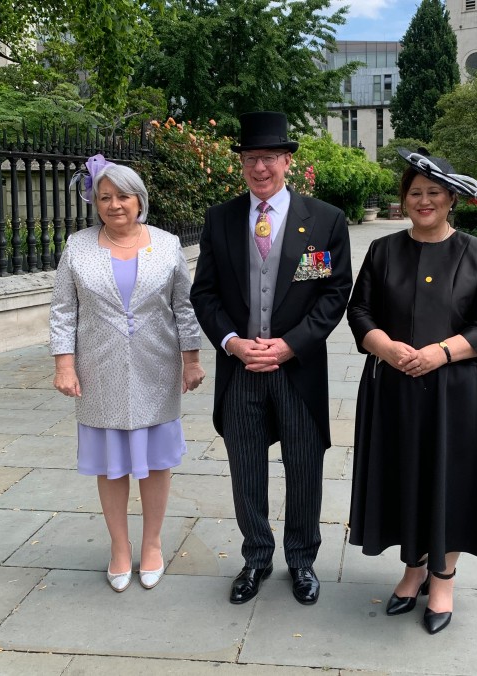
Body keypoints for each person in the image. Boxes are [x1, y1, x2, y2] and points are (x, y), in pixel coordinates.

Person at [190, 111, 352, 606]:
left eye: (269, 158)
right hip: (240, 370)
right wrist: (232, 342)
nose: (260, 168)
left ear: (288, 161)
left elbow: (332, 294)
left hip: (297, 371)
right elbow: (205, 294)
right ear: (242, 163)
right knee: (246, 468)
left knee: (304, 467)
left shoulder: (324, 220)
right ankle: (257, 557)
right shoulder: (220, 219)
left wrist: (290, 345)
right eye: (251, 158)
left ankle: (301, 561)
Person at [346, 147, 477, 634]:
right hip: (393, 390)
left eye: (433, 192)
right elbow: (359, 312)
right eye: (415, 193)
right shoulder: (383, 250)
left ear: (450, 198)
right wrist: (386, 348)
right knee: (405, 477)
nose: (423, 201)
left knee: (449, 481)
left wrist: (440, 352)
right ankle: (412, 569)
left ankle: (443, 578)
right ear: (404, 199)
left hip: (456, 394)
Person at [50, 156, 205, 593]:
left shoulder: (167, 243)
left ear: (139, 200)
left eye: (123, 196)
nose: (114, 205)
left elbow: (184, 307)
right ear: (94, 202)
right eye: (105, 197)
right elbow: (63, 309)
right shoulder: (77, 247)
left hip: (157, 368)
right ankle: (120, 547)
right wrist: (64, 364)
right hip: (98, 370)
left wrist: (191, 360)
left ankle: (152, 544)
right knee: (111, 466)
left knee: (156, 463)